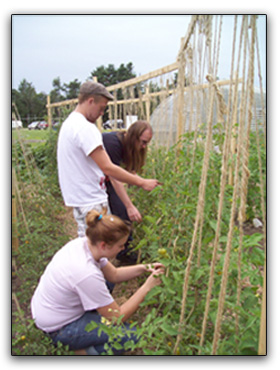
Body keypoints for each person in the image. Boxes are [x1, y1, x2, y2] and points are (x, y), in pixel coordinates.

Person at [31, 210, 165, 355]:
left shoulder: (84, 244)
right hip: (60, 328)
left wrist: (145, 268)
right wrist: (147, 287)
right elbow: (117, 317)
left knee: (107, 281)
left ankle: (92, 320)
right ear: (103, 245)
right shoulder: (86, 273)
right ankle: (84, 352)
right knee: (132, 336)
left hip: (51, 310)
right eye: (120, 245)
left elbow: (114, 274)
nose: (123, 249)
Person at [57, 81, 160, 237]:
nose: (102, 113)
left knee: (92, 246)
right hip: (90, 199)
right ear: (90, 101)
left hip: (82, 199)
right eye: (102, 108)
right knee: (96, 248)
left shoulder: (70, 124)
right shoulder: (85, 128)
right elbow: (108, 168)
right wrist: (142, 182)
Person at [102, 121, 153, 263]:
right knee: (119, 213)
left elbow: (128, 172)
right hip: (91, 181)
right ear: (133, 137)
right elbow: (114, 177)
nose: (144, 147)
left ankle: (124, 252)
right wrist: (130, 206)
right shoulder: (112, 143)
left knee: (122, 212)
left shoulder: (125, 144)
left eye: (146, 143)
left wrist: (144, 182)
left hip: (104, 179)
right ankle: (117, 253)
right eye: (143, 142)